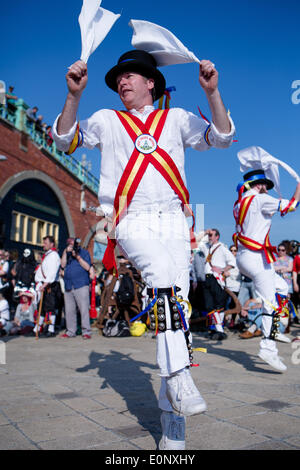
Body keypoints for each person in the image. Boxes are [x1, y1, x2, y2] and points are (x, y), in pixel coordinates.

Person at [52, 49, 235, 450]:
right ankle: (179, 378)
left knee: (176, 299)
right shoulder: (105, 120)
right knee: (159, 277)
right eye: (118, 77)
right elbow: (64, 139)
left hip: (173, 218)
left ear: (151, 81)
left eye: (131, 75)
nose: (122, 81)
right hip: (130, 216)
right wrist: (73, 96)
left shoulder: (176, 118)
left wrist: (213, 92)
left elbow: (221, 137)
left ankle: (172, 422)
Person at [233, 167, 300, 371]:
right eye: (265, 186)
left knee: (280, 287)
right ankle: (268, 348)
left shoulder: (239, 202)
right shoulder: (260, 200)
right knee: (269, 303)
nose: (267, 189)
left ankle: (273, 327)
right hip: (256, 258)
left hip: (246, 257)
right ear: (259, 185)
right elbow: (292, 205)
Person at [201, 229, 236, 339]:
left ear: (217, 237)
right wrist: (205, 233)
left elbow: (232, 262)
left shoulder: (222, 248)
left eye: (211, 235)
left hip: (216, 279)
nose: (209, 237)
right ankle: (216, 329)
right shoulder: (206, 247)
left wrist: (222, 270)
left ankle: (219, 329)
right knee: (209, 305)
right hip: (207, 278)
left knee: (218, 305)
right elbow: (193, 242)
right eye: (209, 235)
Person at [60, 238, 92, 339]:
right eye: (69, 244)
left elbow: (87, 267)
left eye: (72, 244)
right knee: (69, 310)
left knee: (83, 309)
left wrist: (77, 257)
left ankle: (86, 331)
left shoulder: (84, 253)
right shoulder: (67, 253)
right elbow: (62, 265)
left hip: (81, 284)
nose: (71, 245)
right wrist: (65, 252)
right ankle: (70, 331)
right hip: (69, 285)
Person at [34, 235, 61, 337]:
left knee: (50, 308)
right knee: (41, 307)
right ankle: (38, 327)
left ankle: (51, 328)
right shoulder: (48, 255)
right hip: (44, 285)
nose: (43, 245)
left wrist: (45, 284)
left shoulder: (54, 256)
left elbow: (52, 273)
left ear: (52, 244)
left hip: (50, 286)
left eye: (45, 243)